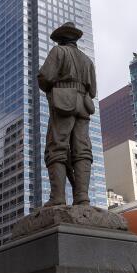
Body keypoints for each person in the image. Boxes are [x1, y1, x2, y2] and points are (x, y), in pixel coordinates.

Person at [37, 22, 97, 207]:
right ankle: (82, 196)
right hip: (84, 106)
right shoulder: (87, 60)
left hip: (64, 102)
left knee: (56, 147)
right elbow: (93, 90)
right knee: (82, 149)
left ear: (61, 38)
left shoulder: (58, 52)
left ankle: (58, 197)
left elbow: (45, 77)